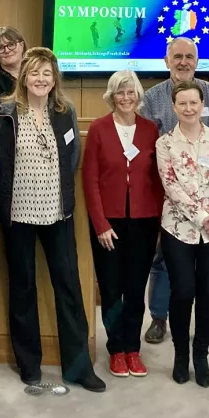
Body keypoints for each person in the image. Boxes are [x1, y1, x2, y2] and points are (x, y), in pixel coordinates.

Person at [0, 47, 105, 393]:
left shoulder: (64, 111)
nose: (41, 79)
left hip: (58, 213)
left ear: (55, 79)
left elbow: (71, 159)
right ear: (23, 76)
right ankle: (29, 364)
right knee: (23, 288)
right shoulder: (5, 112)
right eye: (35, 73)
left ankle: (78, 367)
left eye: (47, 73)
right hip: (18, 215)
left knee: (69, 288)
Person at [140, 37, 209, 348]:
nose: (183, 62)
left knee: (208, 266)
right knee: (164, 259)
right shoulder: (151, 98)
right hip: (170, 196)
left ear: (197, 60)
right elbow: (146, 146)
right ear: (166, 61)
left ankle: (208, 320)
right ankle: (159, 317)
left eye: (189, 56)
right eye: (177, 56)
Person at [156, 80, 209, 387]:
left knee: (208, 292)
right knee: (183, 292)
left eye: (194, 103)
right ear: (174, 107)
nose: (189, 109)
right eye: (183, 104)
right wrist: (205, 217)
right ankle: (180, 355)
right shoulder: (164, 144)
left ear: (203, 106)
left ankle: (201, 355)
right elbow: (171, 187)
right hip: (178, 229)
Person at [82, 69, 163, 380]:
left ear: (138, 96)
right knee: (112, 287)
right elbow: (90, 180)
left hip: (143, 222)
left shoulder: (150, 129)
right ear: (111, 97)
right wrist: (100, 224)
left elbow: (156, 180)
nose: (126, 98)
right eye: (120, 92)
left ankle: (133, 349)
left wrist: (157, 223)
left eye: (131, 92)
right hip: (109, 223)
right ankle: (116, 349)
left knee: (135, 287)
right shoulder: (100, 129)